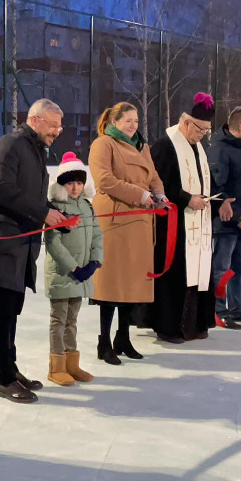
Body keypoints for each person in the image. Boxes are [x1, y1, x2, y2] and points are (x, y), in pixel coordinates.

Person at [0, 98, 68, 403]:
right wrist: (43, 213)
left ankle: (11, 369)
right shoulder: (10, 145)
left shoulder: (35, 150)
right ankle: (3, 378)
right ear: (36, 120)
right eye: (53, 125)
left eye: (59, 126)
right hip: (1, 245)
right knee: (1, 313)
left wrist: (56, 216)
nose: (58, 131)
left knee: (11, 312)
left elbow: (30, 197)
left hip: (21, 247)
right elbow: (3, 190)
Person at [89, 102, 166, 363]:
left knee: (131, 282)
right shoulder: (104, 144)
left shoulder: (142, 146)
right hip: (115, 221)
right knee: (111, 283)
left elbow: (153, 175)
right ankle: (104, 340)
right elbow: (104, 180)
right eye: (128, 121)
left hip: (140, 222)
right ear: (115, 121)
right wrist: (140, 195)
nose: (133, 125)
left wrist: (159, 193)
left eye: (136, 120)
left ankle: (123, 336)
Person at [147, 93, 217, 343]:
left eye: (207, 130)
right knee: (176, 274)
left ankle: (194, 323)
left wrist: (220, 199)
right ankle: (169, 326)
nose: (203, 135)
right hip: (174, 224)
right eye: (200, 129)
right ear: (186, 123)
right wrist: (187, 199)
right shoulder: (165, 145)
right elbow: (160, 183)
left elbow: (206, 179)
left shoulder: (198, 147)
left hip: (197, 222)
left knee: (198, 272)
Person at [43, 152, 103, 385]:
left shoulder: (87, 206)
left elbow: (97, 234)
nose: (75, 187)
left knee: (73, 320)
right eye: (70, 183)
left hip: (82, 275)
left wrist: (95, 261)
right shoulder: (55, 208)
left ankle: (71, 365)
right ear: (61, 184)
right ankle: (56, 367)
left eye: (79, 182)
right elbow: (53, 243)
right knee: (59, 320)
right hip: (62, 274)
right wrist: (74, 268)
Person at [207, 106, 241, 329]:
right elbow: (217, 186)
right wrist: (238, 214)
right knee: (222, 267)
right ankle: (218, 310)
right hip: (228, 222)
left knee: (240, 266)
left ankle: (236, 308)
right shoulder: (220, 149)